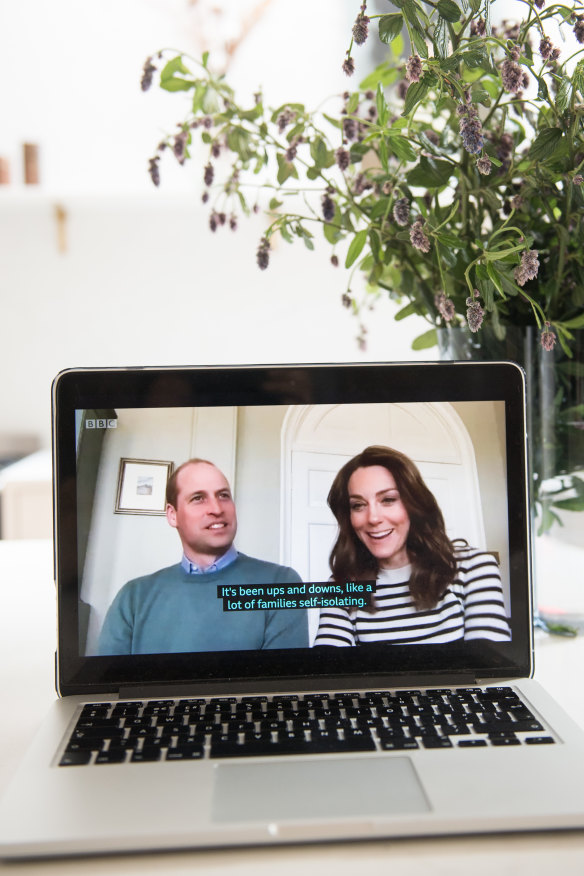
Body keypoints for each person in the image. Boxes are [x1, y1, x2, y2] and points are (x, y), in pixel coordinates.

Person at [98, 458, 309, 655]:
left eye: (223, 495)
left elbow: (278, 687)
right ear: (173, 515)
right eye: (198, 498)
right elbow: (109, 687)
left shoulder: (281, 583)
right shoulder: (133, 598)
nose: (217, 509)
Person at [314, 445, 511, 646]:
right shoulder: (339, 587)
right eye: (358, 505)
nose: (373, 518)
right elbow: (329, 670)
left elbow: (490, 671)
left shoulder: (473, 567)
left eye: (388, 500)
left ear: (413, 504)